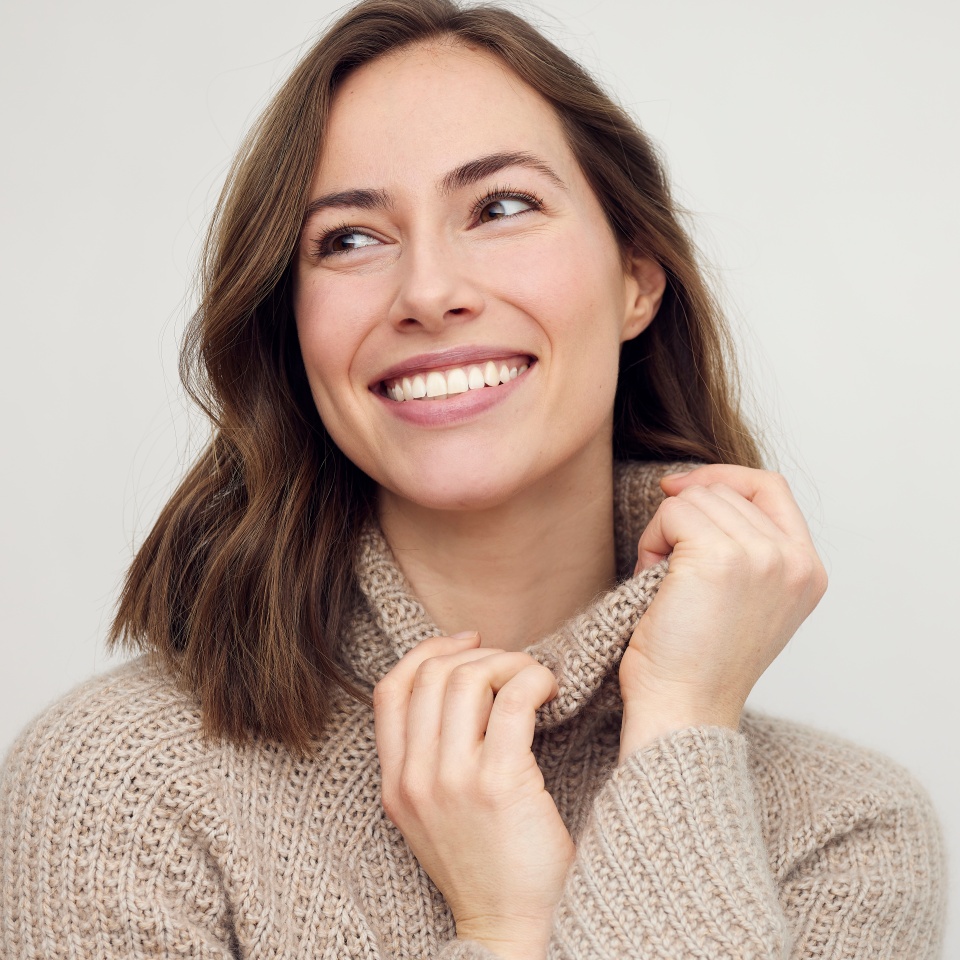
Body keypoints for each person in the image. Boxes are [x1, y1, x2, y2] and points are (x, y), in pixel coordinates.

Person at [0, 0, 945, 957]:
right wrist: (504, 931)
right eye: (350, 239)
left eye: (500, 208)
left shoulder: (844, 830)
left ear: (637, 277)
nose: (426, 292)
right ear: (292, 326)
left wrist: (679, 734)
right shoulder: (118, 786)